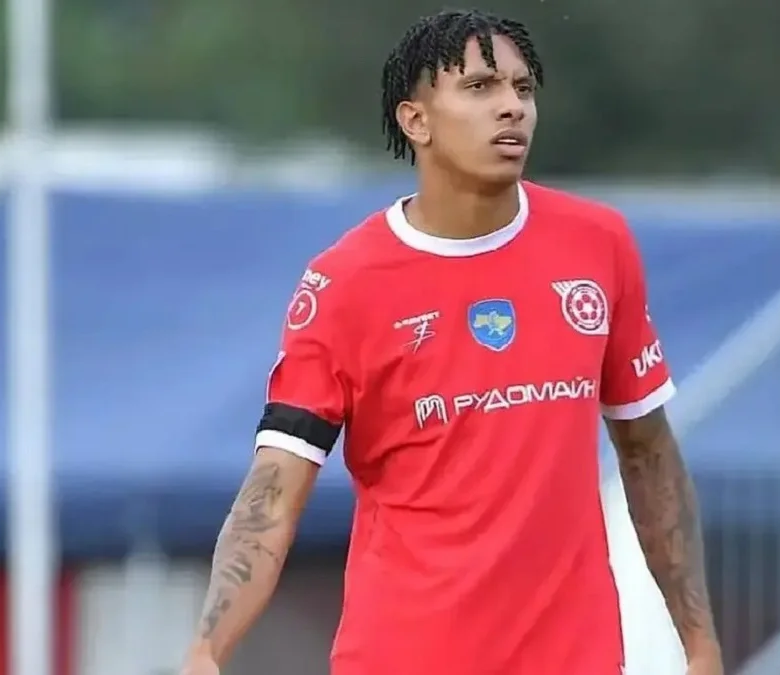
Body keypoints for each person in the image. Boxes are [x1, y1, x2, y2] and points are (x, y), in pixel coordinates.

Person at [180, 9, 721, 675]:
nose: (511, 107)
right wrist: (208, 648)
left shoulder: (598, 245)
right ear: (416, 121)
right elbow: (274, 490)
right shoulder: (345, 284)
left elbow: (648, 453)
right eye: (480, 87)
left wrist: (699, 642)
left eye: (523, 89)